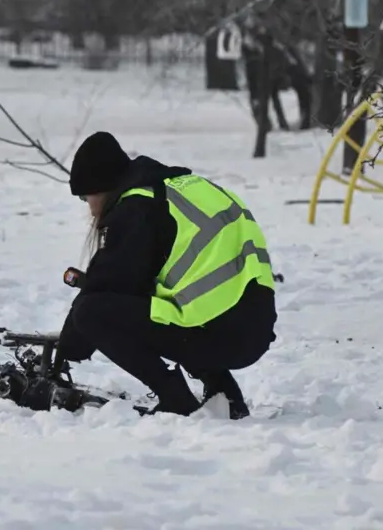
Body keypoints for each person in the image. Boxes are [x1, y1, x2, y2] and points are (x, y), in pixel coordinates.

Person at [56, 131, 277, 417]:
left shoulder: (136, 207)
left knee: (91, 312)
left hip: (220, 332)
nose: (88, 206)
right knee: (172, 305)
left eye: (86, 197)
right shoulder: (177, 189)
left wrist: (69, 346)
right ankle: (225, 395)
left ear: (102, 186)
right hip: (252, 327)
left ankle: (176, 399)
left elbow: (106, 286)